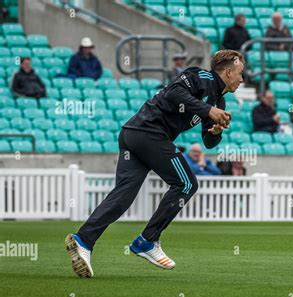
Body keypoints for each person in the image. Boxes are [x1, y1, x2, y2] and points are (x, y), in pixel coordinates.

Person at [65, 50, 245, 278]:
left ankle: (83, 240)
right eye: (240, 73)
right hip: (150, 133)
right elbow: (174, 92)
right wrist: (208, 110)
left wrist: (215, 131)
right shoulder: (202, 76)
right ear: (228, 72)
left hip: (134, 134)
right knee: (187, 184)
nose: (242, 79)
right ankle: (147, 241)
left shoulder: (219, 99)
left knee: (123, 195)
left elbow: (208, 143)